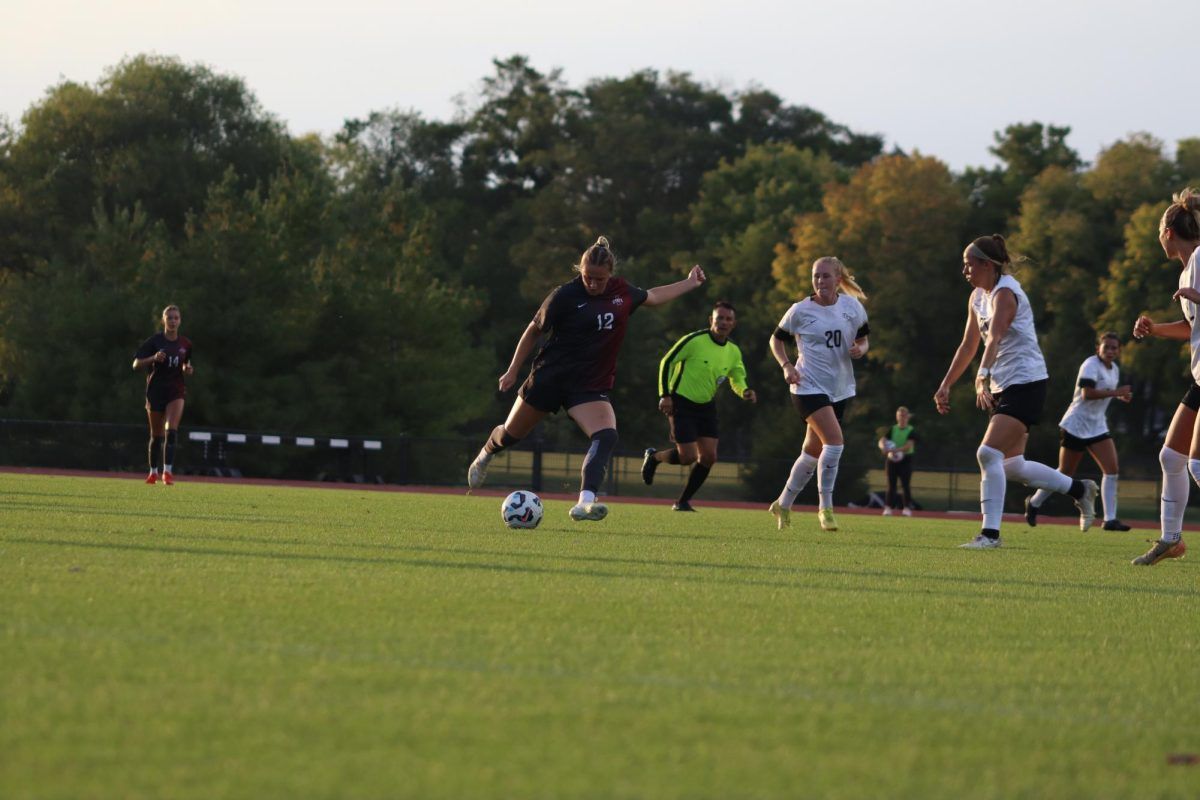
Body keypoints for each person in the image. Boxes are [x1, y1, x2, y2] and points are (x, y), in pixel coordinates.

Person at [467, 236, 706, 521]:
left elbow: (653, 297)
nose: (592, 284)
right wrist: (512, 370)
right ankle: (486, 452)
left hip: (589, 385)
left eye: (599, 279)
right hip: (550, 378)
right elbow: (534, 330)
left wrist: (689, 282)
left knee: (606, 435)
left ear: (611, 275)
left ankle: (585, 502)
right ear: (579, 271)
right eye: (587, 277)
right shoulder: (564, 295)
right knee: (510, 435)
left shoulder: (621, 292)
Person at [933, 235, 1098, 549]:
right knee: (1012, 465)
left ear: (987, 264)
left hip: (1026, 382)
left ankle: (990, 535)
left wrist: (980, 378)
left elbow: (993, 338)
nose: (965, 271)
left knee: (988, 453)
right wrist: (946, 384)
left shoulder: (1005, 293)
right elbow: (969, 345)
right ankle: (1080, 490)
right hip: (1005, 385)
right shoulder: (977, 297)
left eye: (970, 265)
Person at [767, 257, 869, 532]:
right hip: (807, 386)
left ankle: (783, 503)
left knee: (812, 452)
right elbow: (776, 339)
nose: (820, 281)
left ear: (838, 279)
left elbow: (863, 337)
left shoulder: (851, 306)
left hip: (839, 389)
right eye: (816, 276)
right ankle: (825, 508)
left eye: (825, 276)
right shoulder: (800, 310)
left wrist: (862, 348)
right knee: (834, 443)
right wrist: (786, 365)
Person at [1129, 187, 1200, 565]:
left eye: (1158, 232)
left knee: (1197, 465)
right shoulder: (1188, 271)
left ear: (1168, 233)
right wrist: (1156, 328)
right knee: (1171, 456)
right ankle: (1171, 540)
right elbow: (1192, 330)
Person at [640, 301, 757, 511]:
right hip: (681, 402)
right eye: (719, 318)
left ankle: (682, 502)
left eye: (728, 319)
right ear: (711, 320)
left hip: (706, 406)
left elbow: (737, 377)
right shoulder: (694, 340)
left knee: (709, 457)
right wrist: (664, 395)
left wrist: (745, 391)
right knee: (688, 457)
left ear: (734, 324)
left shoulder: (733, 351)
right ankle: (655, 457)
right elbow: (666, 361)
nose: (723, 322)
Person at [1025, 332, 1133, 531]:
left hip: (1097, 425)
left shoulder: (1114, 369)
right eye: (1106, 347)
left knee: (1112, 469)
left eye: (1114, 348)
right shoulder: (1090, 364)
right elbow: (1088, 393)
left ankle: (1110, 520)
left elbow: (1105, 393)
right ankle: (1034, 503)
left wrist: (1119, 397)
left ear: (1119, 351)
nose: (1110, 351)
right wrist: (1116, 392)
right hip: (1076, 424)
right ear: (1098, 349)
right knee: (1065, 472)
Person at [132, 304, 194, 485]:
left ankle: (168, 472)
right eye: (170, 318)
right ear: (163, 321)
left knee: (171, 430)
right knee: (156, 436)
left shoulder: (186, 344)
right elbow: (135, 364)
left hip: (176, 391)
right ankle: (153, 472)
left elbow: (185, 363)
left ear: (180, 320)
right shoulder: (154, 342)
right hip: (155, 391)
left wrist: (187, 369)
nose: (173, 321)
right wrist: (153, 358)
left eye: (176, 318)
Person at [880, 406, 917, 516]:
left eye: (903, 416)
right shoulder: (892, 429)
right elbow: (882, 440)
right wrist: (883, 447)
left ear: (907, 417)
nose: (901, 418)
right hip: (892, 460)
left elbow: (908, 445)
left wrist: (895, 450)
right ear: (897, 417)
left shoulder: (911, 430)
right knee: (891, 485)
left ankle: (906, 508)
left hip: (905, 459)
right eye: (899, 416)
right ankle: (888, 508)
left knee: (905, 485)